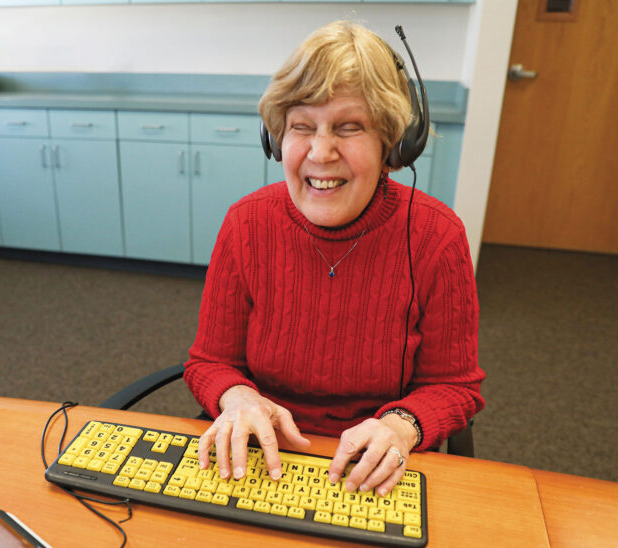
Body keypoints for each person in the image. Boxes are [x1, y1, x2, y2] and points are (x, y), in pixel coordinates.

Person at [183, 20, 485, 498]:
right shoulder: (246, 224)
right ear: (275, 139)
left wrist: (401, 427)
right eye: (302, 127)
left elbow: (454, 386)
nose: (320, 152)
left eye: (349, 128)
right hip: (259, 459)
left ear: (393, 146)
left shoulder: (437, 236)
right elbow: (209, 362)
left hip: (373, 470)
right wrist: (238, 398)